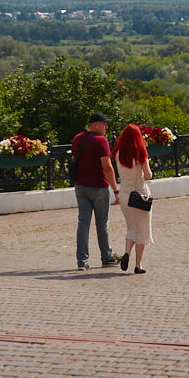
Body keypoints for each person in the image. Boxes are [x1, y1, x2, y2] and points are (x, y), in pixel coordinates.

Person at [70, 113, 120, 270]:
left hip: (81, 187)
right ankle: (107, 257)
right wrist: (116, 189)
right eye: (104, 124)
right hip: (98, 187)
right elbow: (107, 166)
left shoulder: (77, 138)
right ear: (95, 124)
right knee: (102, 223)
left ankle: (82, 262)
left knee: (83, 223)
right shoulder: (101, 141)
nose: (106, 127)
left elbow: (74, 159)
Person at [112, 124, 155, 274]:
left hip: (125, 195)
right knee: (142, 231)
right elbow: (148, 175)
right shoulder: (140, 153)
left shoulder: (117, 153)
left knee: (131, 228)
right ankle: (138, 265)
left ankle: (127, 252)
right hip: (140, 195)